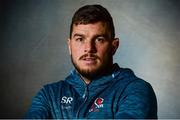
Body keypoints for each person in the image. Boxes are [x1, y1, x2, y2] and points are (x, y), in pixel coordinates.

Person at [25, 4, 157, 119]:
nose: (89, 49)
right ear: (70, 46)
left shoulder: (135, 90)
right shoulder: (49, 95)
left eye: (99, 39)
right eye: (80, 39)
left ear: (114, 46)